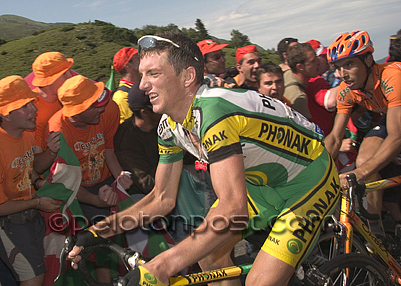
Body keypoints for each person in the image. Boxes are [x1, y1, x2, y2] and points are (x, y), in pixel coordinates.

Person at [68, 31, 340, 286]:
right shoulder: (169, 125)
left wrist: (160, 267)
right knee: (209, 257)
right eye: (141, 74)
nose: (142, 85)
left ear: (187, 77)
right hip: (262, 185)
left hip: (308, 182)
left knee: (260, 282)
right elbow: (160, 199)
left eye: (153, 73)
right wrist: (97, 231)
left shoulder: (214, 111)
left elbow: (233, 209)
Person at [324, 30, 401, 239]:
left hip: (397, 118)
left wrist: (358, 174)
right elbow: (334, 138)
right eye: (338, 68)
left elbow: (397, 137)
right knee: (365, 159)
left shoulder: (392, 76)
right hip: (391, 116)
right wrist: (318, 172)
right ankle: (376, 231)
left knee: (365, 168)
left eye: (348, 65)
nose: (341, 74)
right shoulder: (346, 89)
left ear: (368, 60)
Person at [0, 75, 59, 286]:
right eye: (25, 106)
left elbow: (31, 167)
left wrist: (50, 154)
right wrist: (37, 202)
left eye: (32, 103)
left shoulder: (26, 133)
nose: (34, 110)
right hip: (9, 224)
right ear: (5, 115)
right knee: (34, 278)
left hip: (28, 219)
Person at [114, 82, 162, 196]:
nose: (163, 108)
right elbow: (147, 184)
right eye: (157, 106)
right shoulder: (126, 142)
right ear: (144, 113)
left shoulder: (164, 123)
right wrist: (177, 154)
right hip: (145, 196)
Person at [30, 51, 74, 146]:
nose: (70, 76)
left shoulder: (69, 96)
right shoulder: (30, 110)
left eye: (69, 71)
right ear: (49, 80)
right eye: (64, 74)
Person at [283, 43, 320, 120]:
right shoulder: (299, 97)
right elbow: (307, 129)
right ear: (300, 67)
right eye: (313, 61)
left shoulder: (285, 74)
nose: (318, 62)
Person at [112, 47, 141, 123]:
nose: (141, 59)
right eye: (136, 58)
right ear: (128, 66)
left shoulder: (140, 87)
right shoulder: (121, 97)